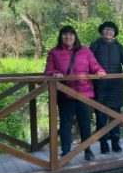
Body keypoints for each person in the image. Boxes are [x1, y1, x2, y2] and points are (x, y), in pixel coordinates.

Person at [45, 25, 107, 161]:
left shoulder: (85, 50)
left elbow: (94, 65)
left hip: (84, 93)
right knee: (66, 124)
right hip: (64, 93)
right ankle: (66, 152)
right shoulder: (54, 52)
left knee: (85, 122)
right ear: (61, 36)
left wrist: (100, 71)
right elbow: (48, 71)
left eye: (71, 34)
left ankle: (87, 150)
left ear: (75, 37)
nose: (68, 37)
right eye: (65, 34)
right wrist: (55, 73)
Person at [88, 21, 123, 154]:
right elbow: (89, 62)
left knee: (115, 115)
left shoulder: (119, 47)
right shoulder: (95, 45)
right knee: (101, 116)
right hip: (100, 86)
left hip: (115, 86)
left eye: (111, 30)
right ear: (102, 31)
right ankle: (103, 143)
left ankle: (115, 143)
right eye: (106, 29)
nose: (109, 32)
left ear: (114, 33)